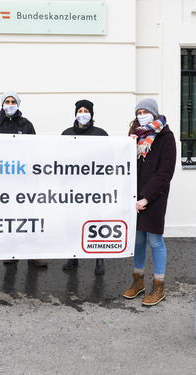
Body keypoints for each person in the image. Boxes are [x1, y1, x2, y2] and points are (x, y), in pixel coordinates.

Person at [0, 90, 48, 267]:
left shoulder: (26, 125)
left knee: (28, 214)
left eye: (13, 101)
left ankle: (33, 252)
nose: (10, 104)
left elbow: (34, 151)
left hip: (24, 180)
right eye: (7, 101)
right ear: (2, 103)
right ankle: (10, 250)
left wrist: (36, 174)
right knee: (6, 214)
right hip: (1, 179)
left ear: (18, 104)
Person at [123, 98, 176, 306]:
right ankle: (138, 282)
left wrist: (146, 197)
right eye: (139, 111)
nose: (141, 115)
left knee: (155, 241)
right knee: (137, 240)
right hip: (134, 198)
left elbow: (165, 172)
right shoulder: (135, 137)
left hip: (154, 197)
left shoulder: (166, 137)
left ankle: (159, 285)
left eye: (145, 111)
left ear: (154, 113)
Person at [61, 99, 108, 275]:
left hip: (94, 188)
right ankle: (73, 256)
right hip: (72, 188)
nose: (82, 113)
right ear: (75, 113)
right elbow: (59, 159)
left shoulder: (100, 133)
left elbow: (109, 157)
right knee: (72, 222)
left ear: (91, 114)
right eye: (79, 110)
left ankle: (99, 258)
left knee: (95, 222)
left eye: (85, 110)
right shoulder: (66, 134)